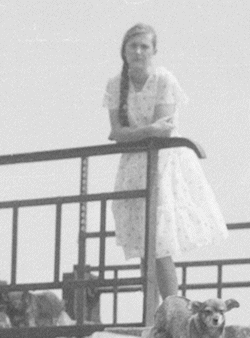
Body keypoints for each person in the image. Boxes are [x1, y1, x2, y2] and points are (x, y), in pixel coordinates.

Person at [103, 23, 228, 301]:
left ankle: (172, 309)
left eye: (144, 46)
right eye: (132, 46)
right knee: (143, 243)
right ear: (123, 50)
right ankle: (154, 310)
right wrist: (145, 131)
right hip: (134, 166)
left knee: (159, 241)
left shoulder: (164, 80)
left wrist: (135, 134)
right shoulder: (115, 85)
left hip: (163, 164)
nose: (138, 52)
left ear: (154, 51)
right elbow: (116, 133)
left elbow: (163, 130)